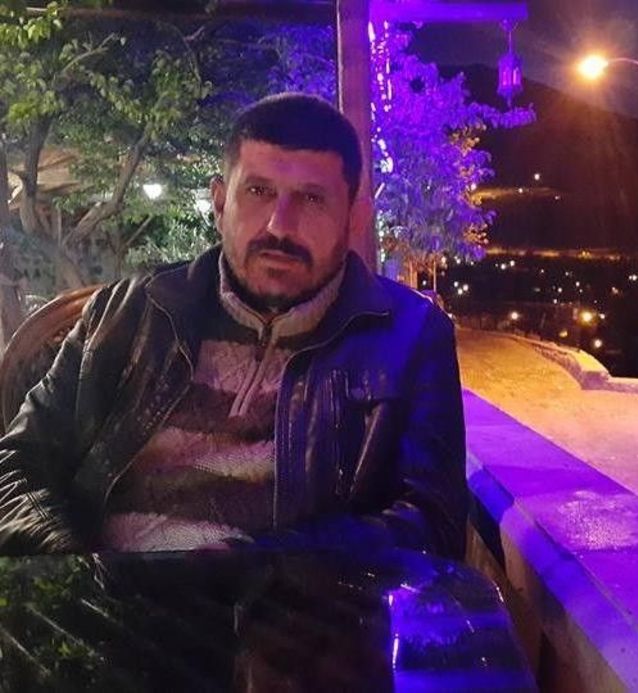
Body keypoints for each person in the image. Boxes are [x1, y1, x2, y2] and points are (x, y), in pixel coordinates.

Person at [0, 93, 467, 559]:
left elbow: (431, 523)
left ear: (355, 218)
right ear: (221, 202)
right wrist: (76, 572)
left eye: (312, 198)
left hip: (295, 602)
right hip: (109, 590)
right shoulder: (131, 312)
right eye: (258, 191)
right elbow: (17, 466)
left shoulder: (408, 337)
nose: (280, 226)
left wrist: (259, 567)